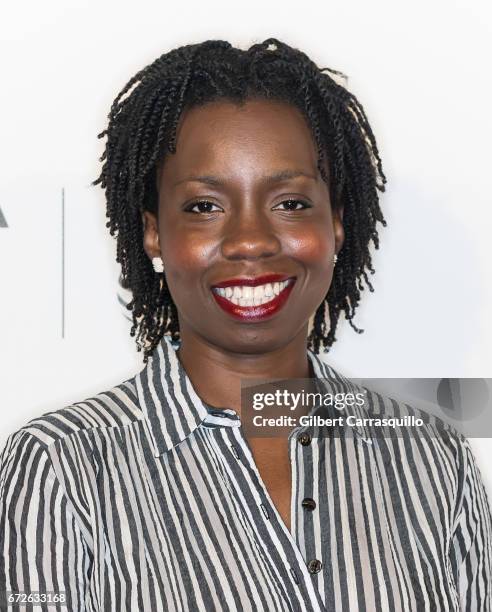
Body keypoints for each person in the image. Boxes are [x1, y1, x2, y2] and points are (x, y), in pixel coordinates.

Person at [1, 38, 491, 612]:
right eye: (205, 206)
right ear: (154, 232)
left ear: (335, 224)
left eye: (290, 203)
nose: (252, 240)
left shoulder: (433, 459)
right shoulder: (63, 467)